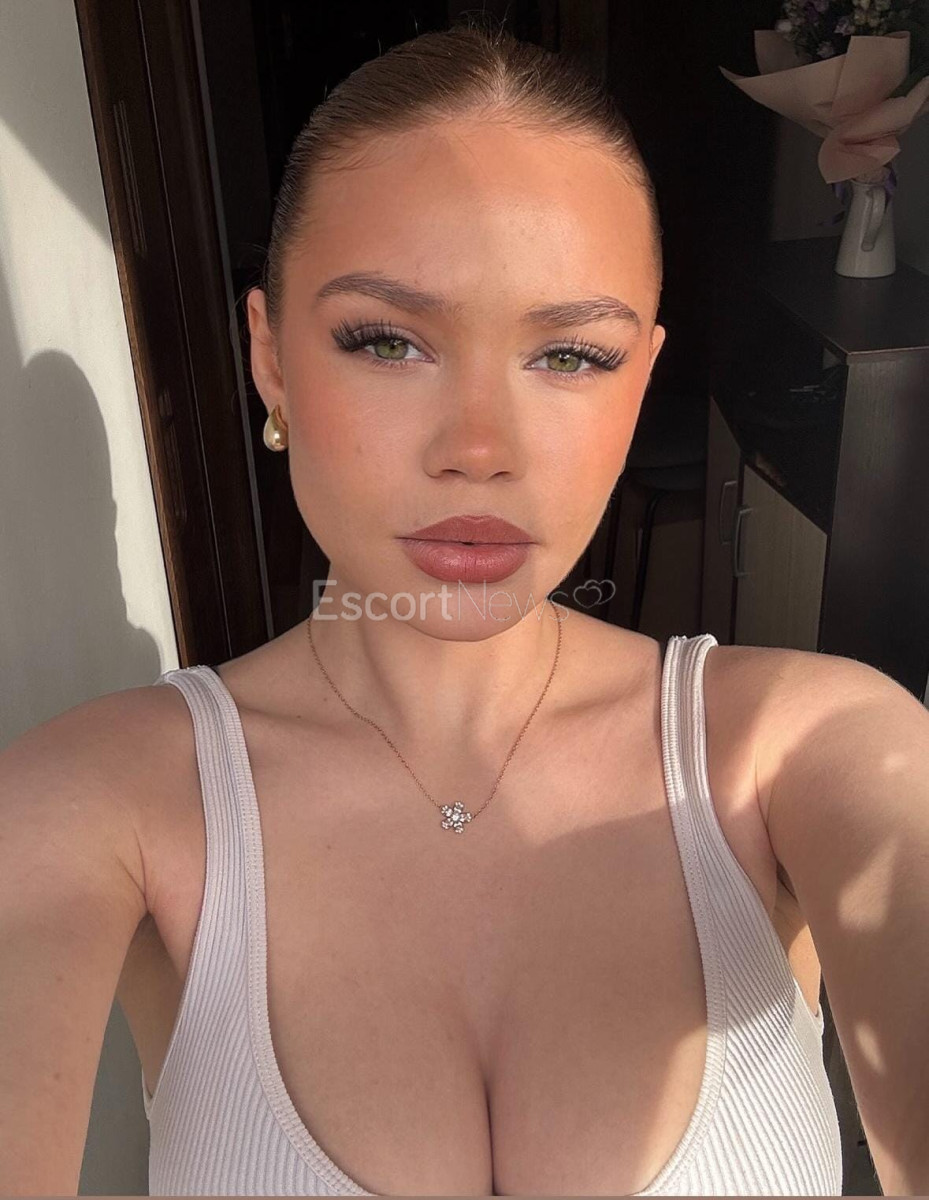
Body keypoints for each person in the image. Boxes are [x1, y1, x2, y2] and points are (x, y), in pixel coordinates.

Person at [2, 15, 928, 1199]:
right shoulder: (90, 802)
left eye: (570, 356)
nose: (479, 449)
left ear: (640, 379)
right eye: (387, 341)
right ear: (270, 357)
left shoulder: (809, 747)